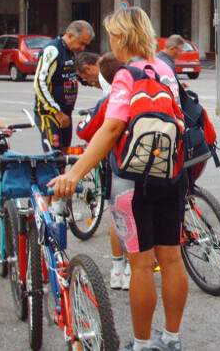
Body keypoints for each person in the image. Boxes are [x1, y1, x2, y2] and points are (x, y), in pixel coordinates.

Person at [49, 7, 186, 351]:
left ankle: (140, 345)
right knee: (171, 259)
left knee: (141, 264)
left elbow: (111, 128)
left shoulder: (126, 76)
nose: (110, 40)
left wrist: (75, 172)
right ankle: (171, 339)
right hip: (172, 173)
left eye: (112, 34)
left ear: (122, 37)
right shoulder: (166, 70)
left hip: (133, 179)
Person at [76, 52, 132, 291]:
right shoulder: (148, 77)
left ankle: (119, 268)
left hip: (121, 163)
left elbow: (88, 130)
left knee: (119, 214)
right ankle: (133, 266)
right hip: (152, 162)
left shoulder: (113, 93)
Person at [33, 20, 94, 152]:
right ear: (70, 35)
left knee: (65, 154)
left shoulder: (71, 52)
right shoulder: (53, 50)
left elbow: (73, 75)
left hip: (66, 114)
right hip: (51, 115)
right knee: (54, 158)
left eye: (86, 45)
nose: (82, 48)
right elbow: (39, 82)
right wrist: (57, 112)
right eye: (81, 43)